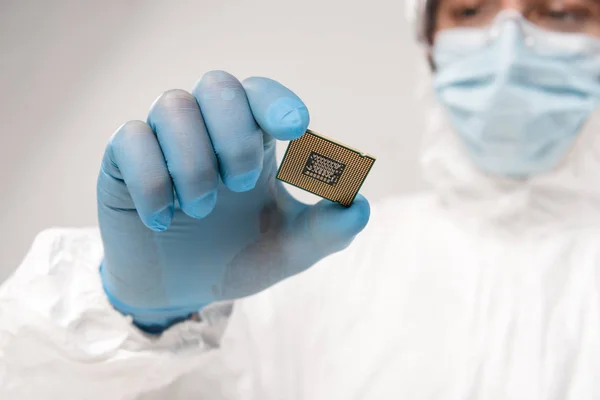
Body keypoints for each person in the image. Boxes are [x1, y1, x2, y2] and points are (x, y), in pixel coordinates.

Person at [2, 0, 600, 397]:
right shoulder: (303, 268)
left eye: (562, 11)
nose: (508, 43)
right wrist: (136, 322)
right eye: (470, 8)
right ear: (428, 44)